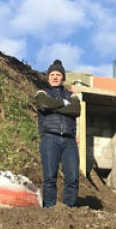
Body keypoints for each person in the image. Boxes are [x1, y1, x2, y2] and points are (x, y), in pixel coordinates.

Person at [34, 59, 81, 208]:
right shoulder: (42, 93)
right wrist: (64, 103)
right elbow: (44, 104)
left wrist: (54, 106)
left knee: (73, 178)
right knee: (49, 178)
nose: (55, 77)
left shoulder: (72, 96)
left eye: (58, 74)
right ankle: (49, 211)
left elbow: (76, 110)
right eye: (52, 74)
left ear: (63, 78)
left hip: (69, 140)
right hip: (50, 137)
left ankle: (69, 210)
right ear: (48, 77)